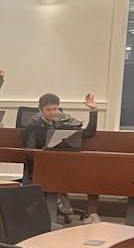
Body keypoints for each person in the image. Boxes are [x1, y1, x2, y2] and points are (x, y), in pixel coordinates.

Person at [22, 92, 100, 221]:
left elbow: (88, 133)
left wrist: (93, 110)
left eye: (55, 109)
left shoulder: (60, 125)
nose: (52, 113)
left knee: (91, 176)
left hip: (60, 167)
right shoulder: (33, 127)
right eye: (48, 110)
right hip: (39, 169)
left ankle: (82, 213)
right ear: (40, 110)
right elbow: (30, 154)